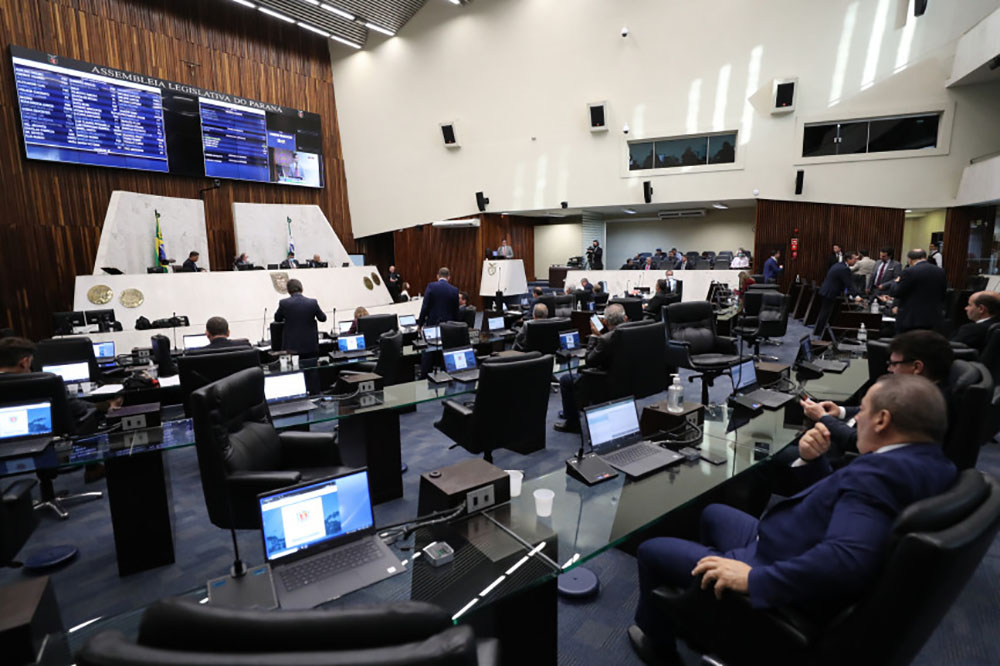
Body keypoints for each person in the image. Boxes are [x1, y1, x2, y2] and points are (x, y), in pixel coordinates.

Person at [629, 373, 957, 665]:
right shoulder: (936, 464)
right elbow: (841, 500)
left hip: (771, 563)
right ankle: (704, 615)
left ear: (883, 420)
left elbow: (848, 559)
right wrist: (812, 461)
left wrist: (754, 580)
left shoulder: (881, 475)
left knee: (652, 549)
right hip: (789, 539)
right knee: (713, 514)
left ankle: (659, 647)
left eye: (864, 411)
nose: (857, 419)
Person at [801, 330, 954, 457]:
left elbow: (857, 441)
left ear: (916, 367)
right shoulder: (921, 391)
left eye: (894, 364)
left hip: (843, 455)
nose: (890, 369)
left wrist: (823, 418)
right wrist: (840, 411)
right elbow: (874, 410)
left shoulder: (922, 405)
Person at [555, 303, 627, 433]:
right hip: (627, 378)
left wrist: (594, 336)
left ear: (604, 321)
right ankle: (577, 407)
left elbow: (589, 361)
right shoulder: (632, 332)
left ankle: (572, 422)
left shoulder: (605, 340)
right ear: (625, 319)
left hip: (605, 381)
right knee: (579, 373)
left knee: (566, 380)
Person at [894, 249, 947, 333]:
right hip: (934, 319)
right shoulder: (940, 272)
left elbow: (897, 292)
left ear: (910, 259)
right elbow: (943, 294)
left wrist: (897, 282)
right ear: (925, 258)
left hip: (912, 320)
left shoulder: (909, 272)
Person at [813, 250, 861, 339]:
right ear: (848, 259)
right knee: (825, 312)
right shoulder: (844, 269)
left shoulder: (838, 265)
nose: (856, 261)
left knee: (825, 312)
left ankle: (819, 331)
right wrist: (856, 296)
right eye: (854, 259)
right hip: (830, 292)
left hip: (827, 291)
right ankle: (820, 333)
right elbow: (849, 284)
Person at [274, 278, 327, 355]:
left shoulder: (284, 303)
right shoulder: (312, 303)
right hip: (310, 346)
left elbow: (277, 319)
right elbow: (323, 318)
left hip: (291, 347)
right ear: (302, 289)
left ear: (288, 291)